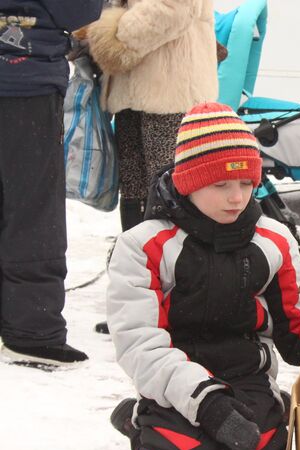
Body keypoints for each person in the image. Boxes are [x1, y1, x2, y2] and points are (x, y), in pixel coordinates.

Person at [106, 102, 300, 450]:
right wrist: (208, 405)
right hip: (173, 379)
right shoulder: (143, 245)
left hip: (246, 373)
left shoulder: (274, 239)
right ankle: (138, 421)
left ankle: (271, 408)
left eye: (247, 184)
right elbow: (138, 343)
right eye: (221, 185)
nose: (237, 198)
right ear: (189, 182)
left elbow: (297, 322)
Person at [84, 0, 219, 333]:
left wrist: (110, 34)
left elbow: (171, 9)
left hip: (170, 94)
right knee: (136, 199)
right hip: (133, 94)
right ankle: (138, 301)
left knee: (171, 200)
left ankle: (180, 301)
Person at [0, 0, 102, 367]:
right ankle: (31, 330)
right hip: (24, 84)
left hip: (25, 81)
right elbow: (79, 12)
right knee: (32, 210)